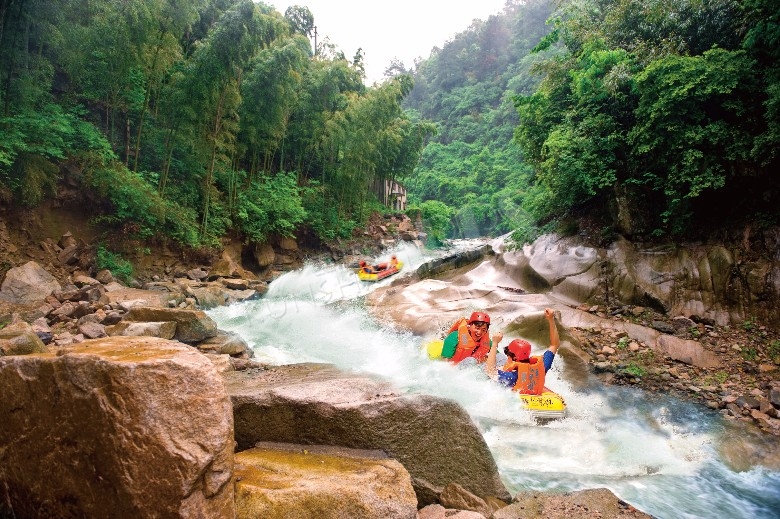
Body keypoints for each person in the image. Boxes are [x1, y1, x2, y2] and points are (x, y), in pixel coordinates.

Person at [485, 308, 560, 395]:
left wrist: (494, 343)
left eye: (507, 354)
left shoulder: (512, 377)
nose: (507, 357)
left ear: (514, 358)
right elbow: (555, 344)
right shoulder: (542, 366)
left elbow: (490, 372)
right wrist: (551, 319)